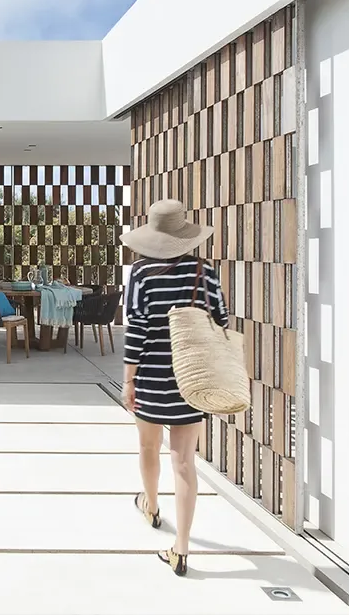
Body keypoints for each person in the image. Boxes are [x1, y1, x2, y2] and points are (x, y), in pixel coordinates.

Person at [119, 199, 229, 577]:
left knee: (148, 446)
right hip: (191, 380)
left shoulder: (140, 274)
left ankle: (150, 506)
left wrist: (129, 380)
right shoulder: (206, 272)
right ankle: (181, 548)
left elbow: (137, 329)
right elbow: (222, 321)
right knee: (184, 462)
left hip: (151, 377)